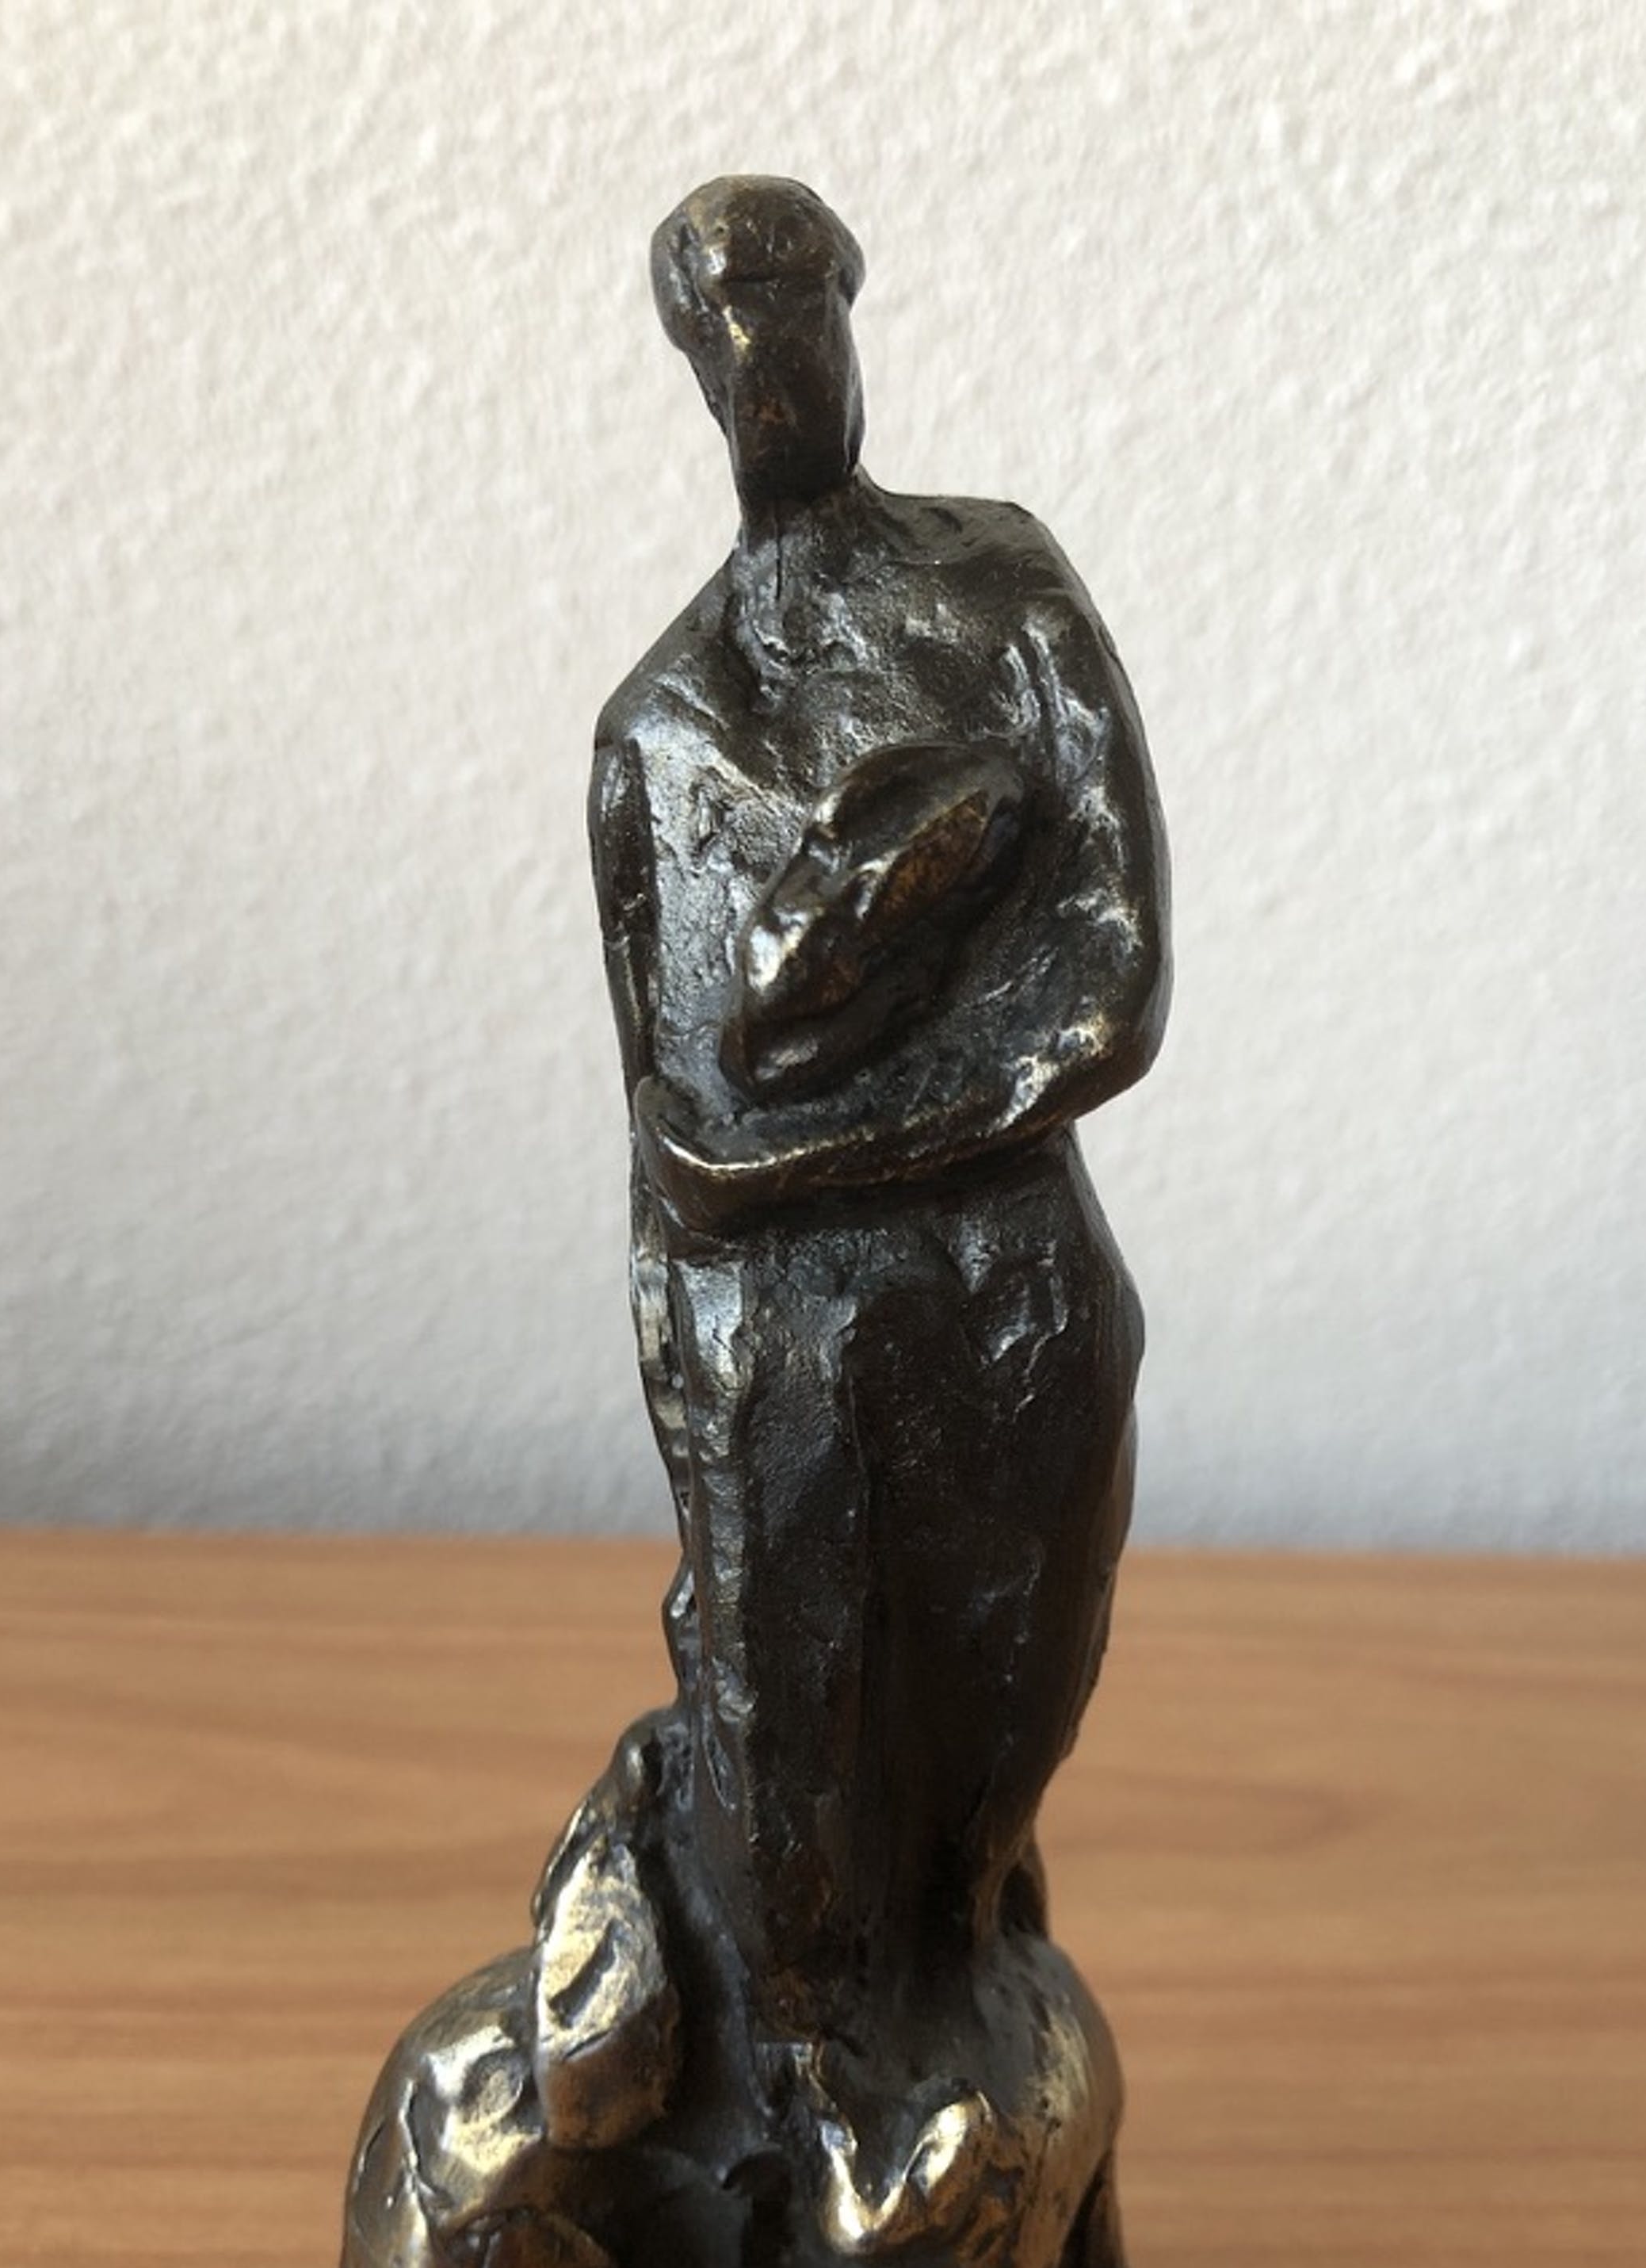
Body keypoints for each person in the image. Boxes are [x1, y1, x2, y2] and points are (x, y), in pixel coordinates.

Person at [590, 174, 1171, 2038]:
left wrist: (814, 1138)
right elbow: (680, 1156)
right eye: (720, 327)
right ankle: (826, 2087)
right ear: (691, 369)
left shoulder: (998, 584)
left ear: (848, 308)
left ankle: (950, 2011)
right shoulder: (663, 730)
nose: (765, 361)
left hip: (1013, 1300)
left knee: (1002, 1733)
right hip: (782, 1360)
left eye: (792, 301)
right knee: (804, 1802)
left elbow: (1108, 995)